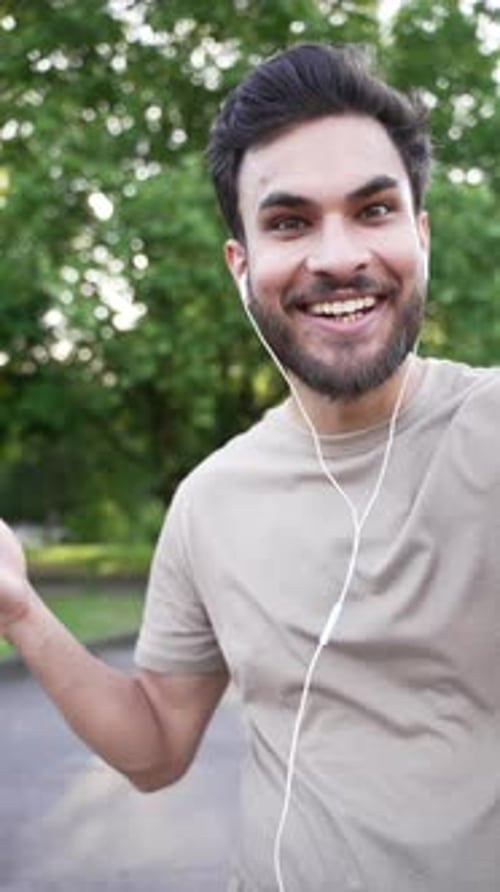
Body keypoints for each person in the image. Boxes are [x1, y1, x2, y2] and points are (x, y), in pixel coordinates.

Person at [0, 42, 499, 892]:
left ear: (420, 234)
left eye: (374, 210)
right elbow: (156, 747)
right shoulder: (210, 503)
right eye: (289, 221)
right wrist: (20, 611)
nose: (338, 255)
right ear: (241, 267)